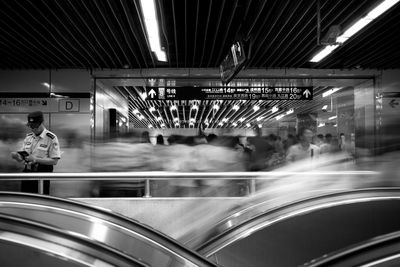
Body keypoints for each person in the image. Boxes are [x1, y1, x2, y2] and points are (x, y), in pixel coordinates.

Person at [11, 111, 61, 194]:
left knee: (40, 201)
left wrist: (36, 159)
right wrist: (17, 157)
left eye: (35, 126)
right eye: (31, 126)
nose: (33, 129)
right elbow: (23, 159)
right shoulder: (28, 137)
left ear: (42, 123)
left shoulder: (51, 138)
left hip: (41, 174)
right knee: (26, 199)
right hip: (27, 174)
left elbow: (54, 161)